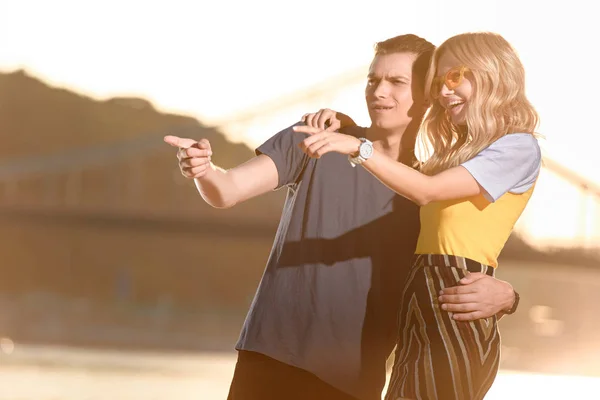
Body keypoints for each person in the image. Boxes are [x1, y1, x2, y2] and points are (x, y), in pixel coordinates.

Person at [164, 34, 518, 400]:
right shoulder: (314, 139)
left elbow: (454, 265)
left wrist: (508, 297)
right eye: (372, 80)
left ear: (428, 94)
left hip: (354, 381)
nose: (379, 92)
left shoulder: (433, 188)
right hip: (270, 358)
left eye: (396, 82)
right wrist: (204, 170)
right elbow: (226, 191)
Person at [293, 31, 540, 400]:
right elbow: (407, 177)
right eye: (439, 83)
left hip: (453, 298)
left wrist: (357, 147)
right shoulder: (458, 157)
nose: (443, 92)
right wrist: (351, 126)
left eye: (455, 77)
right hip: (420, 297)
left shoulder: (518, 146)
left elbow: (426, 192)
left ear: (491, 73)